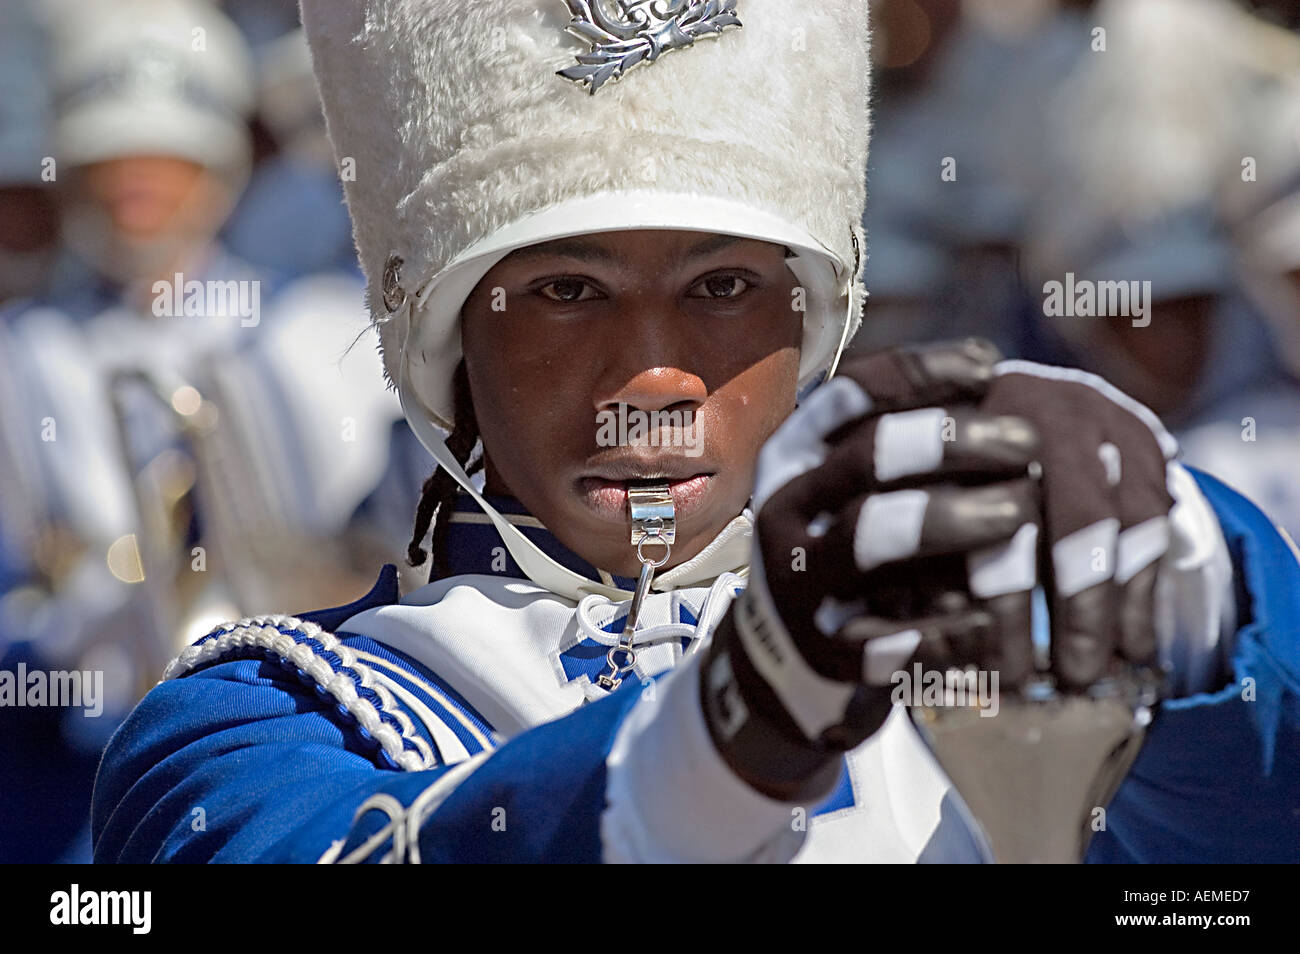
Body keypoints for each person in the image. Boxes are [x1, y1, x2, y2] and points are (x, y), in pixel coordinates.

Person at [92, 0, 1300, 863]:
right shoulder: (254, 716)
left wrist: (1182, 565)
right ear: (451, 346)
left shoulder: (985, 632)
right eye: (568, 291)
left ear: (812, 329)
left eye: (724, 287)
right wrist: (733, 726)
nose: (655, 375)